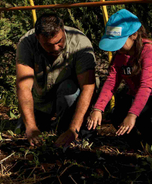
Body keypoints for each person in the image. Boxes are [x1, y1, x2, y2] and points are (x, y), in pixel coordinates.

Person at [87, 9, 152, 142]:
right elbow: (111, 82)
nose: (117, 47)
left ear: (134, 35)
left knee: (144, 117)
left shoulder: (150, 52)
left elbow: (146, 86)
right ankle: (136, 146)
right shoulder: (120, 56)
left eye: (120, 41)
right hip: (139, 93)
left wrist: (132, 114)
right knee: (117, 115)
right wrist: (98, 108)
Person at [16, 12, 96, 147]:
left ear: (63, 31)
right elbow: (23, 86)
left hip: (69, 98)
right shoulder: (26, 43)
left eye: (59, 42)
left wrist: (73, 129)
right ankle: (47, 122)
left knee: (69, 90)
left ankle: (68, 127)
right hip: (42, 99)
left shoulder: (80, 43)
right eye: (47, 44)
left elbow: (88, 87)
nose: (55, 48)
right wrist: (31, 126)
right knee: (25, 130)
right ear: (37, 38)